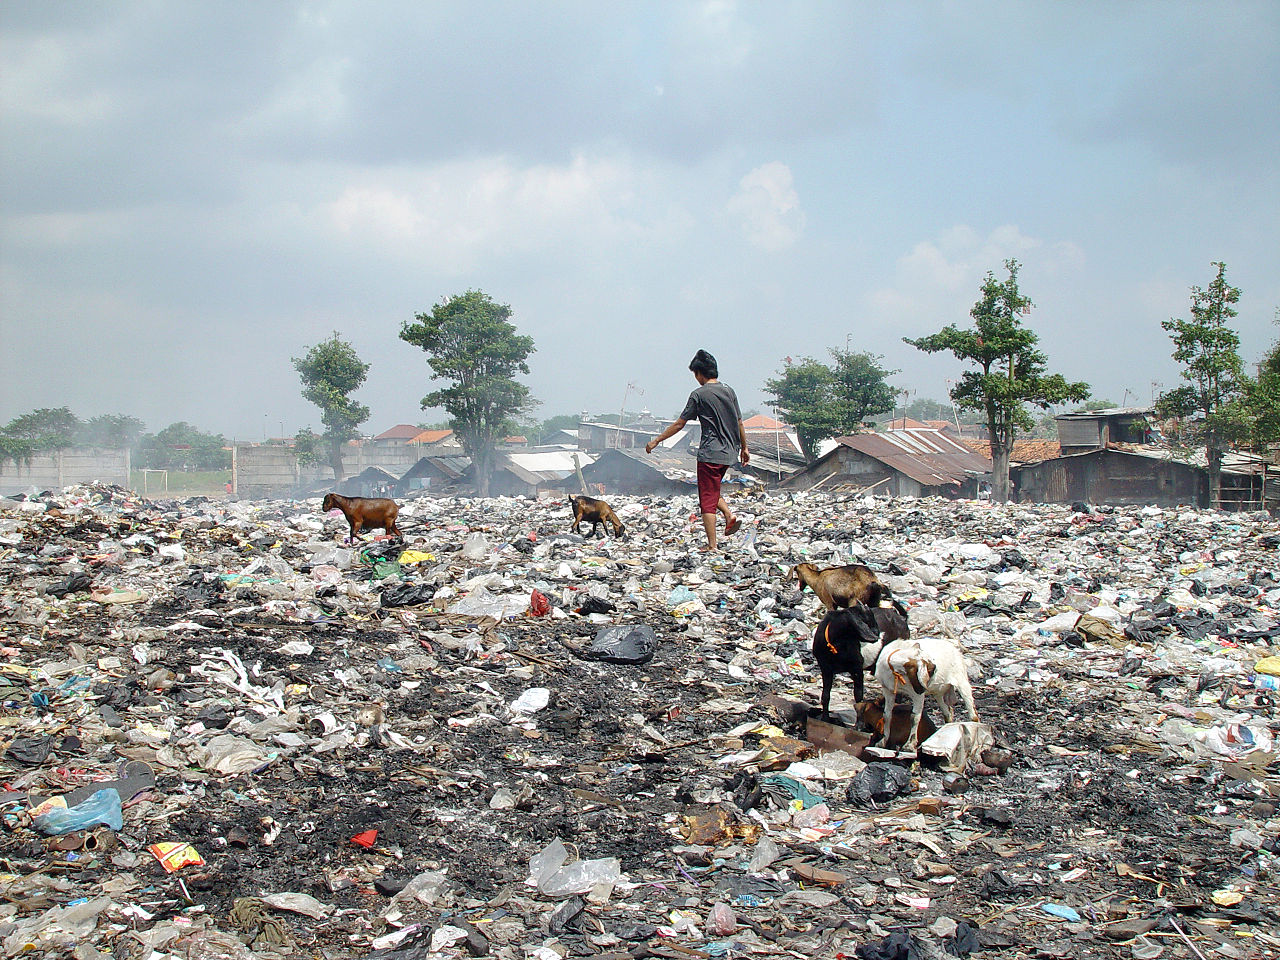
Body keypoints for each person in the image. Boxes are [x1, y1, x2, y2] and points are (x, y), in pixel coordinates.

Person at [645, 349, 749, 551]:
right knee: (710, 489)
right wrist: (745, 448)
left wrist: (656, 440)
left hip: (710, 453)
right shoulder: (729, 391)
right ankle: (729, 515)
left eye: (695, 374)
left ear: (700, 373)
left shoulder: (698, 395)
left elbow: (679, 424)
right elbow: (739, 423)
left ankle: (712, 545)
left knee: (706, 501)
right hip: (730, 453)